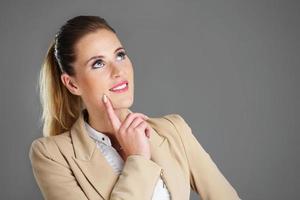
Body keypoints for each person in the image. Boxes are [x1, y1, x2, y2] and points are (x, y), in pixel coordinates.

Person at [29, 15, 241, 200]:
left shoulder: (174, 130)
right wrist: (137, 159)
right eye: (98, 63)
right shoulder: (52, 155)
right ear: (72, 84)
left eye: (120, 55)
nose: (118, 71)